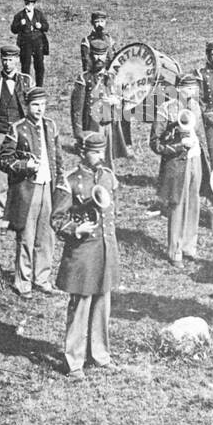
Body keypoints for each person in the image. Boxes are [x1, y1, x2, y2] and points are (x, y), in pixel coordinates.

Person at [51, 131, 120, 381]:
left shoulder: (109, 177)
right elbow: (56, 218)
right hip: (82, 251)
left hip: (104, 249)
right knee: (80, 305)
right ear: (83, 152)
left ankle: (100, 355)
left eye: (103, 151)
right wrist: (75, 229)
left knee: (103, 303)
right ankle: (74, 361)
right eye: (95, 152)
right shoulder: (69, 180)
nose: (101, 156)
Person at [0, 87, 61, 299]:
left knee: (47, 235)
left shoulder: (51, 126)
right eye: (35, 105)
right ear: (27, 106)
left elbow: (58, 159)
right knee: (27, 235)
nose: (39, 109)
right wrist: (25, 165)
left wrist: (59, 187)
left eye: (42, 105)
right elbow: (4, 159)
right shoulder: (17, 128)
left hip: (48, 188)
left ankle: (42, 279)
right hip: (27, 189)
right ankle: (23, 282)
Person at [150, 74, 208, 268]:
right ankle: (174, 250)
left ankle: (189, 247)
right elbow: (155, 143)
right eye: (188, 89)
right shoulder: (166, 109)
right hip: (177, 163)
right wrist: (177, 145)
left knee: (193, 203)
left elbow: (200, 134)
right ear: (179, 89)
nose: (192, 93)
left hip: (195, 159)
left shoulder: (196, 106)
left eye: (194, 89)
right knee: (177, 205)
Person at [0, 45, 34, 231]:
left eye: (11, 59)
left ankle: (19, 216)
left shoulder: (26, 82)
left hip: (20, 136)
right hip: (0, 135)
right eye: (5, 59)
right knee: (1, 178)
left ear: (17, 60)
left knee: (21, 175)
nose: (7, 63)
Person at [70, 39, 130, 172]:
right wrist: (79, 133)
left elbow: (124, 100)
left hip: (108, 124)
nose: (99, 58)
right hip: (91, 126)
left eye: (102, 54)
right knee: (91, 159)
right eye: (95, 54)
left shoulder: (112, 77)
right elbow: (77, 110)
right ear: (90, 56)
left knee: (107, 158)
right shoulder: (84, 79)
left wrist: (117, 101)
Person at [10, 0, 50, 86]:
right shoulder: (19, 15)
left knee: (39, 66)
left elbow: (46, 26)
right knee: (25, 66)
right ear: (25, 2)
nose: (29, 4)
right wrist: (20, 24)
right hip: (25, 44)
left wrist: (40, 26)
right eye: (27, 2)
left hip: (38, 43)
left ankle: (39, 86)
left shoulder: (38, 14)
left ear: (34, 3)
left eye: (31, 2)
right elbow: (13, 29)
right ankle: (26, 86)